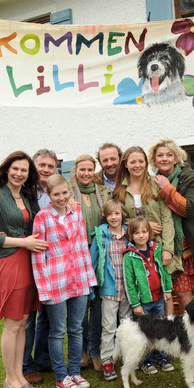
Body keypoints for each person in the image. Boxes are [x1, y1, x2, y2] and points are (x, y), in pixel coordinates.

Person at [0, 151, 48, 388]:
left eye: (24, 170)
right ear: (7, 169)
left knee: (22, 323)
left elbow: (40, 222)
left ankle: (19, 376)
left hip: (27, 262)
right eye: (16, 169)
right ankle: (10, 379)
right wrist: (23, 242)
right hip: (9, 262)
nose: (19, 174)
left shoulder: (28, 196)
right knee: (12, 323)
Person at [32, 175, 97, 388]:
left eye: (65, 193)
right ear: (49, 196)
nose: (61, 198)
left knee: (77, 329)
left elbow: (81, 246)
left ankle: (75, 371)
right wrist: (43, 286)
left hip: (78, 277)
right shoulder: (42, 218)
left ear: (70, 192)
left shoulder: (77, 212)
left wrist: (89, 278)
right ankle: (61, 376)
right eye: (56, 194)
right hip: (55, 281)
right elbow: (38, 254)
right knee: (57, 331)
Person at [150, 138, 194, 313]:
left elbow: (189, 209)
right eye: (160, 155)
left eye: (169, 155)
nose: (165, 158)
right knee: (183, 295)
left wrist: (167, 189)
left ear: (177, 158)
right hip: (175, 247)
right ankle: (191, 332)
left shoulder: (189, 177)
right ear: (154, 159)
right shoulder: (152, 182)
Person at [113, 145, 177, 316]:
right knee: (139, 286)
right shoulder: (119, 189)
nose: (137, 165)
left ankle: (167, 333)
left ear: (146, 163)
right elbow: (117, 219)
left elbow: (167, 218)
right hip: (135, 247)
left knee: (165, 291)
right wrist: (144, 224)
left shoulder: (156, 184)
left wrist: (168, 249)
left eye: (141, 161)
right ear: (125, 164)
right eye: (133, 162)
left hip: (159, 245)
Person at [70, 154, 110, 371]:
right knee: (80, 305)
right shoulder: (67, 193)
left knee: (97, 306)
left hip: (100, 254)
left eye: (89, 170)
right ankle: (81, 351)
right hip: (77, 255)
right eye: (82, 169)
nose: (86, 173)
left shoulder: (101, 192)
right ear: (75, 171)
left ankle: (95, 350)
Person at [22, 149, 58, 385]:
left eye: (50, 166)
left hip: (51, 261)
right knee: (28, 316)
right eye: (41, 165)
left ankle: (44, 359)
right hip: (27, 257)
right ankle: (25, 365)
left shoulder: (56, 193)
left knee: (47, 314)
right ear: (34, 166)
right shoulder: (24, 192)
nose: (45, 169)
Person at [122, 217, 174, 374]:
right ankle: (146, 360)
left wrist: (167, 290)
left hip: (158, 298)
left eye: (144, 232)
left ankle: (161, 356)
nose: (141, 235)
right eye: (136, 233)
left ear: (149, 233)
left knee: (159, 328)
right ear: (131, 236)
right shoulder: (129, 256)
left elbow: (164, 272)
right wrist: (135, 304)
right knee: (145, 331)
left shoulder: (156, 249)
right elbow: (129, 282)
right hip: (143, 302)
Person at [90, 199, 131, 381]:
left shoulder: (130, 233)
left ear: (123, 214)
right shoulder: (101, 235)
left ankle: (127, 358)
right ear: (105, 217)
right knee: (108, 327)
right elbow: (93, 259)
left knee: (127, 326)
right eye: (109, 214)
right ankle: (107, 360)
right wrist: (91, 284)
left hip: (129, 290)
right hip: (109, 289)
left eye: (117, 213)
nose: (113, 217)